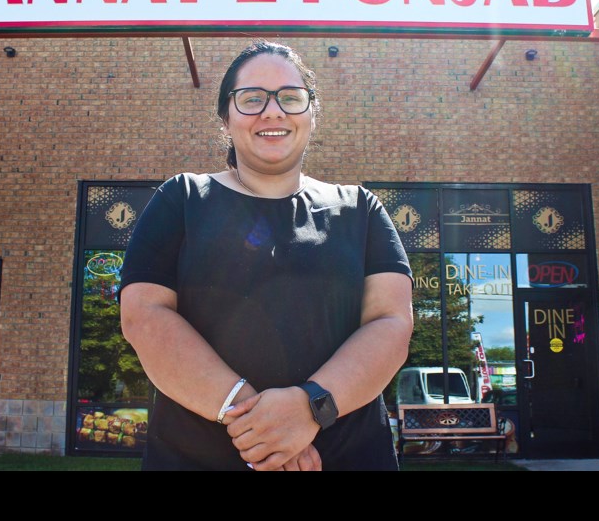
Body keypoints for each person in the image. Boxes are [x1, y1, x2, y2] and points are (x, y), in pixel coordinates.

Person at [119, 40, 413, 471]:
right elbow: (143, 316)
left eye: (290, 98)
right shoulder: (181, 199)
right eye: (252, 98)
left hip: (348, 456)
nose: (272, 112)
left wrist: (311, 408)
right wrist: (264, 423)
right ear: (227, 117)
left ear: (312, 115)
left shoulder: (359, 209)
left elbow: (391, 323)